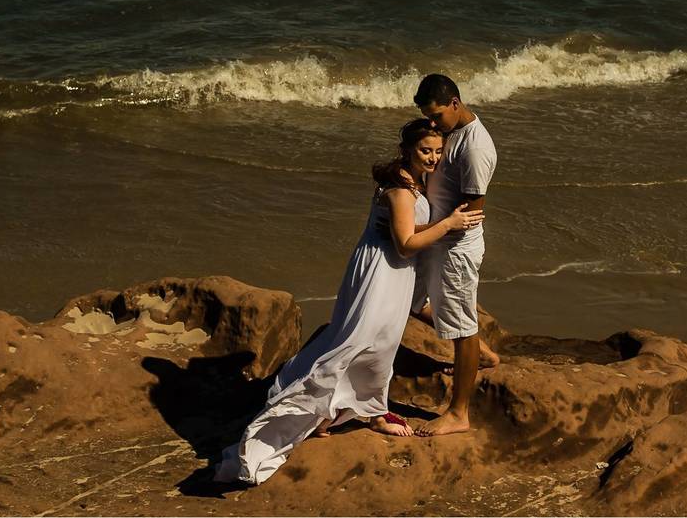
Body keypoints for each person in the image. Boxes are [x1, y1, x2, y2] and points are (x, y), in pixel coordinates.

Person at [213, 118, 484, 486]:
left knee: (379, 342)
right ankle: (323, 411)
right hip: (382, 272)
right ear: (407, 149)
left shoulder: (410, 180)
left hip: (388, 268)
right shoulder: (401, 189)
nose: (433, 158)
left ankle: (358, 412)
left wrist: (436, 226)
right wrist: (449, 224)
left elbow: (405, 232)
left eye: (438, 151)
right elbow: (406, 243)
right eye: (426, 150)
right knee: (362, 340)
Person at [410, 74, 498, 437]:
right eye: (427, 118)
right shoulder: (453, 131)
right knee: (413, 301)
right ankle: (484, 355)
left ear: (455, 104)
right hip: (438, 239)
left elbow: (471, 212)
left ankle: (459, 413)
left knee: (462, 329)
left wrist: (422, 233)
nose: (433, 124)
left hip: (455, 248)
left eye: (437, 116)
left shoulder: (475, 147)